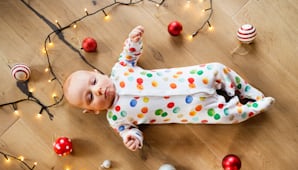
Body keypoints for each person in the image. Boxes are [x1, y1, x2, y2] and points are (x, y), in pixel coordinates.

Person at [63, 25, 274, 151]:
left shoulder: (119, 70)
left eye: (93, 83)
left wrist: (133, 41)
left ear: (98, 74)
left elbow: (129, 55)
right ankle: (254, 108)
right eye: (90, 97)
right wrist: (131, 139)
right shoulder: (116, 119)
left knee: (217, 68)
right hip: (195, 110)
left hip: (192, 79)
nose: (98, 90)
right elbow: (130, 132)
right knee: (226, 116)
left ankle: (246, 91)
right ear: (92, 111)